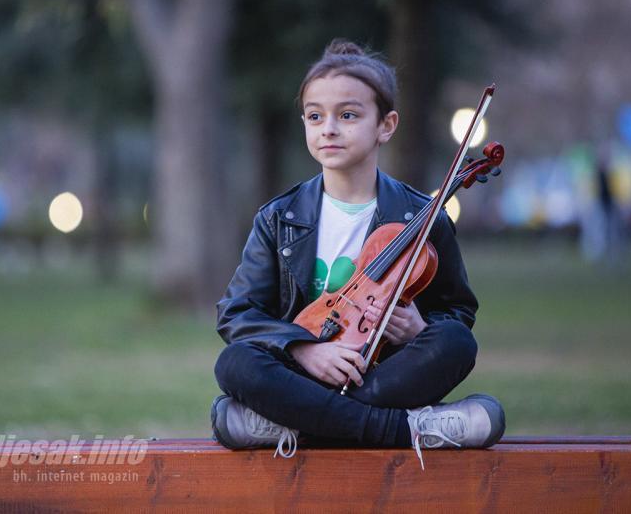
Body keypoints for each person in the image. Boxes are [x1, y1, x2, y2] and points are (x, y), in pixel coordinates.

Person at [211, 39, 505, 468]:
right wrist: (303, 349)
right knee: (235, 363)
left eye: (347, 115)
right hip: (303, 375)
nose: (328, 128)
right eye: (315, 116)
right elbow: (237, 315)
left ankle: (296, 426)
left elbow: (456, 312)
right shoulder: (279, 218)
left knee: (457, 343)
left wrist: (419, 329)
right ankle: (404, 430)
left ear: (386, 125)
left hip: (386, 376)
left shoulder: (422, 219)